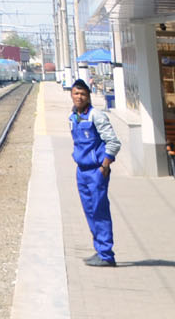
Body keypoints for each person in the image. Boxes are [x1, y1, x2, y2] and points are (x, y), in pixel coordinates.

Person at [68, 78, 120, 266]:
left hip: (96, 171)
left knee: (99, 211)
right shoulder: (73, 117)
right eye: (76, 93)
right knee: (89, 211)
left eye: (83, 94)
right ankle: (99, 250)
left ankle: (106, 254)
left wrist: (104, 166)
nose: (79, 97)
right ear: (71, 95)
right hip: (81, 171)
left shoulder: (96, 116)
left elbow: (113, 142)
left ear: (88, 96)